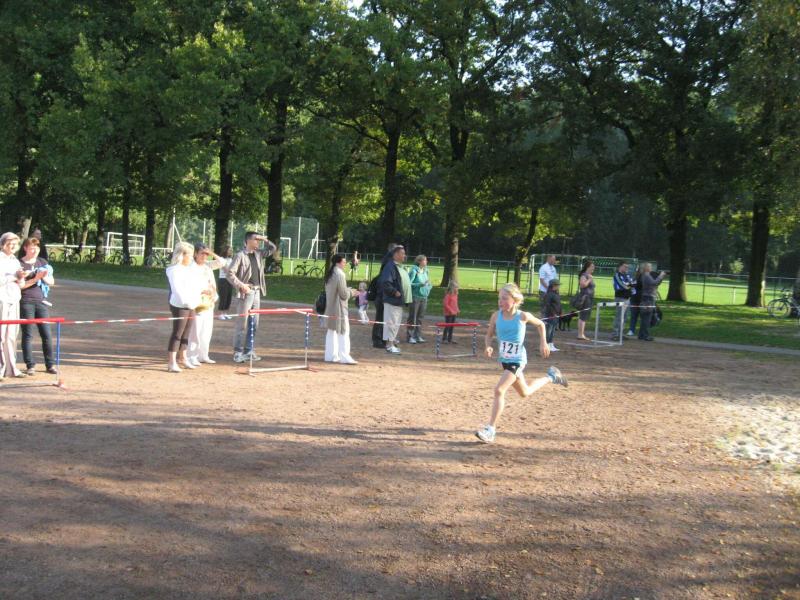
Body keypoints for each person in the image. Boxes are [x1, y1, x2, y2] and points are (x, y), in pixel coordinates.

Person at [475, 283, 568, 444]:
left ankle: (490, 430)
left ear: (514, 300)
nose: (500, 301)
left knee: (499, 390)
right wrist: (488, 346)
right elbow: (489, 335)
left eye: (504, 298)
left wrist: (543, 342)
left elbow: (540, 324)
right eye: (499, 298)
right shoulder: (496, 316)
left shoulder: (523, 316)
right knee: (525, 392)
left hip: (517, 360)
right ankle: (552, 377)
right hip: (505, 361)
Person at [226, 232, 276, 363]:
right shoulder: (240, 255)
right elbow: (230, 274)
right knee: (241, 324)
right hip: (245, 293)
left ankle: (249, 350)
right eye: (256, 239)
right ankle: (238, 352)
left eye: (259, 240)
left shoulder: (258, 253)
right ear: (248, 241)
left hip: (257, 292)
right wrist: (241, 285)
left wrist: (265, 239)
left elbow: (273, 249)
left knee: (254, 323)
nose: (258, 241)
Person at [18, 237, 57, 375]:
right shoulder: (19, 264)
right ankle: (30, 365)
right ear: (25, 248)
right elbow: (20, 286)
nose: (34, 251)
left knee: (46, 334)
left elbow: (51, 281)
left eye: (37, 248)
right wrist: (35, 278)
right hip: (26, 302)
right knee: (28, 335)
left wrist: (43, 276)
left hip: (41, 302)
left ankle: (50, 364)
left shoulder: (42, 262)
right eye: (31, 248)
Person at [166, 242, 204, 373]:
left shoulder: (188, 269)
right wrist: (187, 302)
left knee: (186, 333)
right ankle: (171, 362)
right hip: (180, 305)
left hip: (191, 304)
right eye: (190, 255)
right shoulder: (173, 270)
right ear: (182, 255)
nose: (192, 258)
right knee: (178, 333)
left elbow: (194, 285)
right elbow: (177, 290)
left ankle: (183, 358)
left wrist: (196, 298)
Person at [187, 243, 224, 365]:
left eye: (206, 254)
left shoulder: (207, 265)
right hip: (197, 302)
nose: (204, 256)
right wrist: (203, 290)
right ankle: (192, 356)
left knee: (206, 331)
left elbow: (222, 262)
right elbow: (190, 285)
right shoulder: (191, 267)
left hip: (209, 302)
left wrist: (211, 253)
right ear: (195, 254)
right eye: (202, 253)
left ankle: (203, 355)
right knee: (195, 331)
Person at [0, 232, 27, 379]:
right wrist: (13, 277)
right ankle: (0, 368)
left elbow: (21, 284)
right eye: (9, 243)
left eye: (15, 244)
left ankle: (12, 368)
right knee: (1, 335)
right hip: (2, 299)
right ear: (3, 244)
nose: (12, 246)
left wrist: (21, 278)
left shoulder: (15, 261)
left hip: (14, 299)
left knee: (11, 335)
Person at [324, 254, 358, 364]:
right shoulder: (340, 274)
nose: (345, 263)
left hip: (330, 307)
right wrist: (352, 292)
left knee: (331, 331)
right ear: (338, 263)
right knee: (343, 331)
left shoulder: (331, 273)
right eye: (343, 262)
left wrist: (347, 290)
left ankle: (330, 356)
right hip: (339, 308)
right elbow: (343, 295)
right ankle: (345, 356)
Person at [378, 245, 411, 354]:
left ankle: (391, 344)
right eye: (402, 253)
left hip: (398, 301)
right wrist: (395, 292)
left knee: (395, 323)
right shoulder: (390, 266)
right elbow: (385, 283)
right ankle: (389, 345)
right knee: (391, 324)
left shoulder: (398, 266)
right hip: (392, 300)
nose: (404, 255)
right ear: (396, 254)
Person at [371, 243, 398, 348]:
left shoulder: (388, 261)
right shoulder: (389, 262)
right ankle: (377, 340)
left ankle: (382, 339)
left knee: (383, 318)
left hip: (383, 294)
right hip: (382, 294)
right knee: (380, 318)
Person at [638, 263, 667, 341]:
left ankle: (641, 335)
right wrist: (660, 276)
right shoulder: (647, 275)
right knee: (647, 318)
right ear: (646, 268)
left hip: (646, 298)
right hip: (648, 299)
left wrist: (661, 277)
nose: (651, 268)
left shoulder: (644, 275)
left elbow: (655, 284)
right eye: (650, 266)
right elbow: (654, 283)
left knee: (645, 318)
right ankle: (645, 335)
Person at [406, 254, 431, 343]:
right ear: (419, 261)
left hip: (424, 297)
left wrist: (428, 286)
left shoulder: (426, 271)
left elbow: (427, 282)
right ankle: (410, 336)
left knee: (420, 317)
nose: (426, 262)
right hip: (415, 297)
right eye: (424, 260)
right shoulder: (414, 271)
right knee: (413, 317)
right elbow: (409, 283)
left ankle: (417, 336)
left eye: (426, 260)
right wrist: (419, 284)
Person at [611, 261, 634, 339]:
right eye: (625, 266)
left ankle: (621, 334)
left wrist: (630, 285)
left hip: (627, 298)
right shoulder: (617, 275)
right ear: (620, 267)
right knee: (619, 316)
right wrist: (629, 285)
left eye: (627, 267)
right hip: (620, 298)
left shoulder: (627, 275)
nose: (627, 268)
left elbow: (633, 283)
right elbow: (623, 285)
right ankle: (615, 334)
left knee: (625, 317)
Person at [575, 260, 595, 341]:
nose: (593, 268)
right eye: (592, 267)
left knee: (585, 316)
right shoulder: (584, 275)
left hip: (589, 298)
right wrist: (589, 279)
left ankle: (581, 333)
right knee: (583, 315)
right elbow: (582, 285)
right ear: (587, 267)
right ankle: (580, 334)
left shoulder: (589, 275)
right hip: (585, 298)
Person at [540, 278, 562, 352]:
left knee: (552, 331)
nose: (558, 286)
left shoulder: (556, 294)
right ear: (554, 285)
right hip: (550, 315)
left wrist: (560, 312)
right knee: (549, 331)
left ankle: (550, 344)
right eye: (558, 285)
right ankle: (547, 344)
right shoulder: (549, 294)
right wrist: (553, 313)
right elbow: (547, 304)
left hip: (556, 315)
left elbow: (558, 304)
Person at [217, 246, 234, 312]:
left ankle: (225, 313)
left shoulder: (230, 259)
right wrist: (231, 271)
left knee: (228, 298)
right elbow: (225, 270)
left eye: (231, 250)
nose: (230, 252)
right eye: (229, 250)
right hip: (223, 280)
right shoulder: (221, 259)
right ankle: (221, 314)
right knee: (223, 297)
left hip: (230, 280)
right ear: (225, 251)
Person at [442, 279, 460, 343]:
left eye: (457, 287)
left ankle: (450, 339)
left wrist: (457, 309)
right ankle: (444, 339)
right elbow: (445, 304)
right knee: (447, 326)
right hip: (448, 314)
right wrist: (451, 310)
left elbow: (456, 303)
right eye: (456, 287)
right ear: (452, 288)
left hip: (454, 313)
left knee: (452, 326)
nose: (457, 288)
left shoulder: (455, 295)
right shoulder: (448, 295)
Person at [627, 266, 642, 337]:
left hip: (641, 300)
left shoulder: (643, 278)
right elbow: (631, 286)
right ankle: (631, 330)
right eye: (637, 271)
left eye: (638, 271)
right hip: (634, 300)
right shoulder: (634, 278)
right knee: (633, 316)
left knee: (642, 317)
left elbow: (638, 285)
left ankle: (641, 332)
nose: (637, 272)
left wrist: (631, 284)